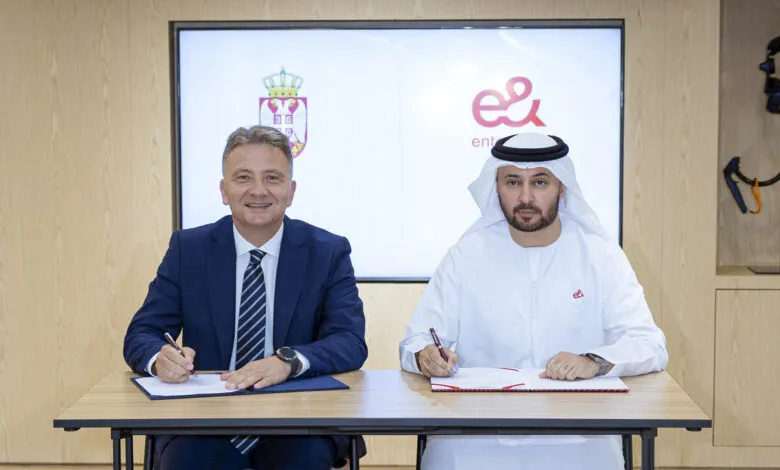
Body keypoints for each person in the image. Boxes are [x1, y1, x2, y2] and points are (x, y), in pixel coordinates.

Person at [399, 132, 668, 470]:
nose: (525, 197)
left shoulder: (600, 256)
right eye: (513, 182)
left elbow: (650, 344)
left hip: (580, 436)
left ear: (562, 187)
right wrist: (425, 357)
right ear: (496, 187)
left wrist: (594, 361)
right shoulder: (465, 256)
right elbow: (416, 340)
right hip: (473, 434)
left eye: (540, 183)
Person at [124, 125, 368, 470]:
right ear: (224, 190)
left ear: (291, 191)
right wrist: (160, 360)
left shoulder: (327, 251)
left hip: (299, 418)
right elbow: (142, 333)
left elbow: (349, 341)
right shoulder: (188, 250)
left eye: (272, 178)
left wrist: (288, 362)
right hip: (203, 420)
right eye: (243, 178)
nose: (258, 190)